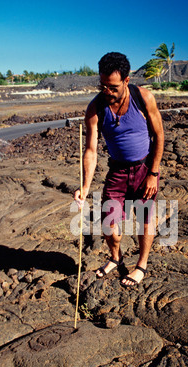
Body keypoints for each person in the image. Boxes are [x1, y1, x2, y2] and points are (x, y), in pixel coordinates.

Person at [74, 52, 164, 287]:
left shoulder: (143, 98)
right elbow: (91, 151)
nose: (107, 91)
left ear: (126, 80)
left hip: (145, 168)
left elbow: (159, 135)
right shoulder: (95, 108)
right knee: (108, 223)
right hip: (118, 172)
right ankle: (116, 257)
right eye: (102, 85)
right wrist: (84, 187)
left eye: (113, 87)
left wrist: (153, 174)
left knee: (145, 219)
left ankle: (141, 266)